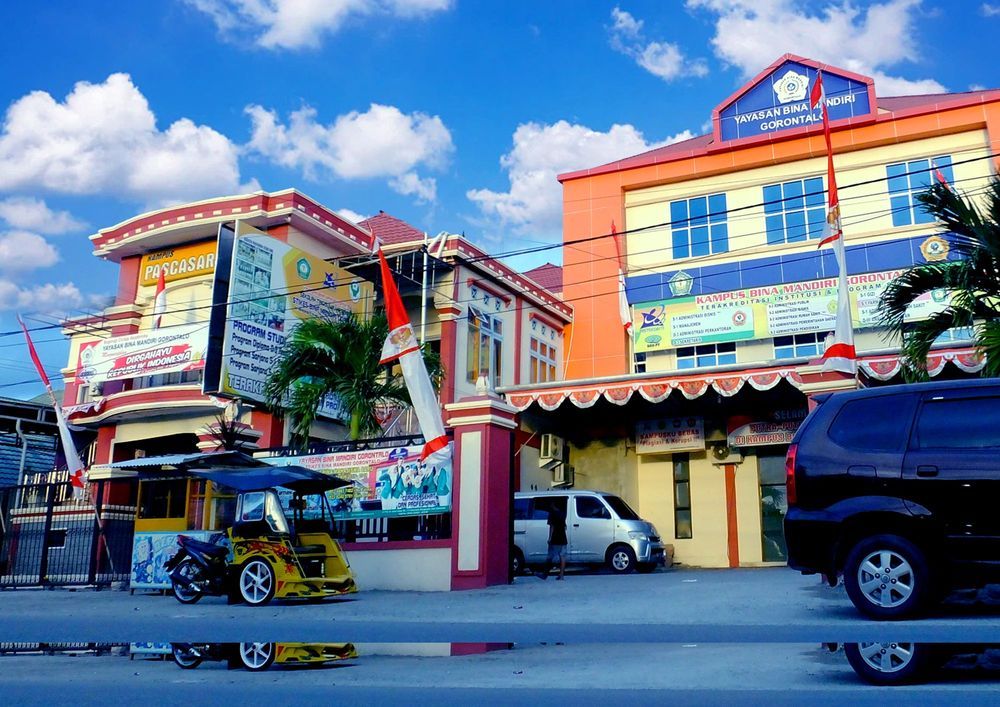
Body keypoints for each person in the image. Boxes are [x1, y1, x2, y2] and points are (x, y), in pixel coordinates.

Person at [536, 504, 567, 580]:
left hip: (555, 538)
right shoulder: (562, 514)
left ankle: (545, 574)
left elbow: (552, 527)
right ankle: (561, 575)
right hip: (563, 538)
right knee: (562, 556)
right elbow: (565, 526)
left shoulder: (552, 514)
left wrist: (550, 538)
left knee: (550, 556)